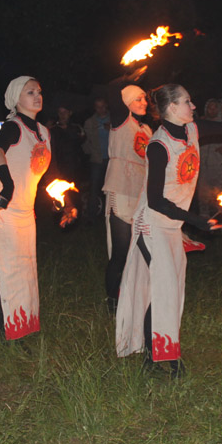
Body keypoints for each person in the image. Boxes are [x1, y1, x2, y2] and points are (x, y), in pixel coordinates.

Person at [115, 84, 221, 377]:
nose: (194, 106)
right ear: (172, 108)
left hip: (172, 225)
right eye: (188, 101)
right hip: (152, 224)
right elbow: (156, 200)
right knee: (164, 290)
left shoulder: (192, 132)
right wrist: (197, 221)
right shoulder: (159, 146)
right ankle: (160, 359)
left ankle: (159, 353)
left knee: (172, 290)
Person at [0, 76, 76, 341]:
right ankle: (2, 332)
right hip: (2, 211)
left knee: (22, 273)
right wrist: (7, 187)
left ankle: (18, 327)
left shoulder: (44, 133)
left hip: (25, 214)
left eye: (39, 91)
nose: (37, 95)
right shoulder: (13, 127)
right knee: (4, 272)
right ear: (16, 99)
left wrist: (66, 205)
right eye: (29, 92)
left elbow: (51, 175)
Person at [102, 70, 153, 313]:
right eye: (138, 98)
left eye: (145, 98)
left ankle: (134, 296)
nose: (144, 102)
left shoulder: (148, 130)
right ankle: (112, 302)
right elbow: (113, 88)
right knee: (121, 251)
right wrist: (129, 74)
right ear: (125, 103)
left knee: (140, 249)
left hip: (140, 192)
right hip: (121, 187)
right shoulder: (121, 121)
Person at [82, 97, 110, 216]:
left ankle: (110, 214)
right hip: (97, 160)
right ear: (95, 108)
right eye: (98, 107)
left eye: (103, 106)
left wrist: (112, 129)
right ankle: (91, 215)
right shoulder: (90, 122)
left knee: (111, 189)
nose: (101, 109)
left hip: (112, 159)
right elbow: (87, 140)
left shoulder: (115, 120)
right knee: (94, 188)